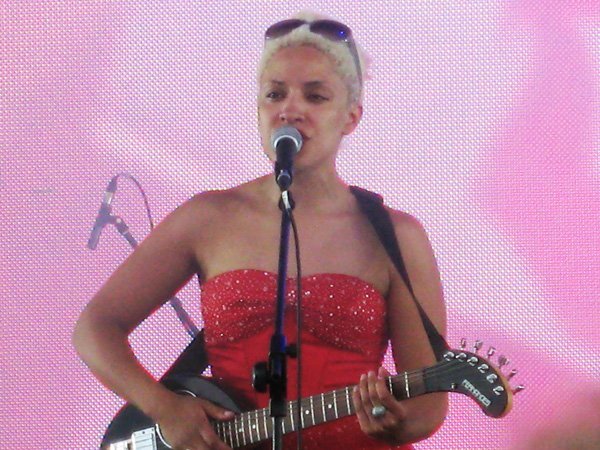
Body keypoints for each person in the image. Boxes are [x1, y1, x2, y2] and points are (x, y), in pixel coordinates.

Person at [73, 11, 447, 450]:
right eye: (275, 94)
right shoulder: (208, 217)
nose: (291, 109)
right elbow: (95, 328)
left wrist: (395, 421)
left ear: (351, 117)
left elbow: (429, 404)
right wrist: (164, 408)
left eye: (315, 96)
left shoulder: (395, 236)